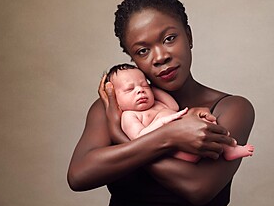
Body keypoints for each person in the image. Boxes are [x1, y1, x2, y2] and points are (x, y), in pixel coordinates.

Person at [68, 0, 255, 206]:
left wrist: (119, 134)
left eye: (169, 39)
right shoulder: (114, 106)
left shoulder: (231, 108)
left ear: (189, 36)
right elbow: (79, 175)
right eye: (143, 50)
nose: (160, 57)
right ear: (132, 58)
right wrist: (170, 136)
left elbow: (199, 188)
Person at [107, 63, 254, 162]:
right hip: (172, 146)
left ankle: (229, 149)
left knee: (209, 123)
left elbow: (174, 106)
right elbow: (139, 138)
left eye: (144, 85)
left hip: (189, 134)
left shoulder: (157, 103)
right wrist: (162, 123)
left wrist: (153, 88)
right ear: (115, 99)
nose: (140, 90)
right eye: (129, 89)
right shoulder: (129, 115)